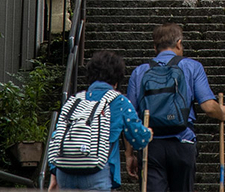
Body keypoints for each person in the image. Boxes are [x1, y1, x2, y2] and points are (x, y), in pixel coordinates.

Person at [125, 23, 225, 192]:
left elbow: (130, 117)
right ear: (179, 43)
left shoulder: (139, 72)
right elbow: (209, 107)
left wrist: (129, 154)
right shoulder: (192, 67)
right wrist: (222, 113)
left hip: (151, 145)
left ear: (155, 47)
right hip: (183, 142)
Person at [48, 50, 152, 191]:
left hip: (65, 171)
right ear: (116, 81)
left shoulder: (74, 100)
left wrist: (54, 170)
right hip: (96, 171)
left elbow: (57, 137)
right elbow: (138, 138)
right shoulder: (119, 101)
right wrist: (148, 133)